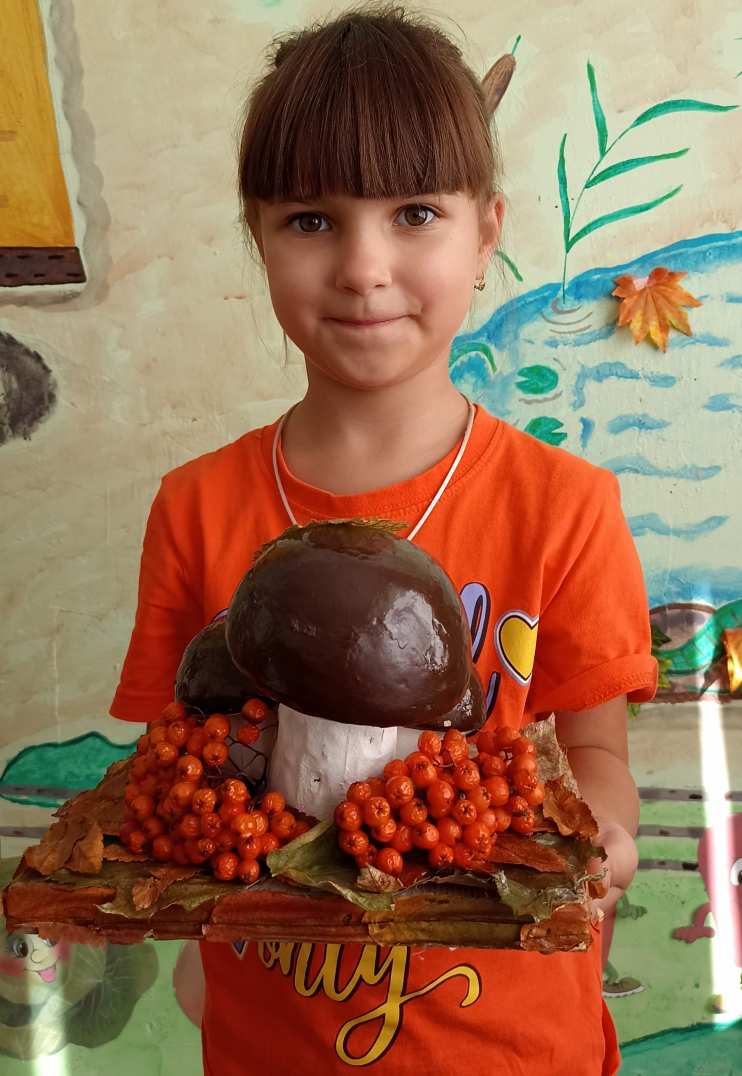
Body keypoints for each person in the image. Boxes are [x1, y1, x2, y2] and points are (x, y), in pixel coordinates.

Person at [110, 6, 657, 1074]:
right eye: (311, 219)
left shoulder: (564, 505)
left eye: (414, 212)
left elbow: (595, 756)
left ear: (486, 232)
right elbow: (173, 761)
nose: (363, 267)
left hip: (517, 1047)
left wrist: (602, 838)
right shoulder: (195, 505)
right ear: (257, 236)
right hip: (271, 1044)